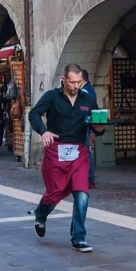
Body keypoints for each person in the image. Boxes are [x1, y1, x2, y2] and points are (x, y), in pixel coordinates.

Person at [28, 63, 104, 253]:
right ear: (64, 80)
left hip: (78, 152)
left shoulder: (87, 99)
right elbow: (34, 114)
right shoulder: (52, 96)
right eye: (72, 82)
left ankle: (79, 237)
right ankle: (40, 214)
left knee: (82, 193)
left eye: (79, 82)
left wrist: (100, 128)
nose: (75, 86)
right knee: (54, 193)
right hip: (56, 150)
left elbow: (95, 123)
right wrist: (44, 131)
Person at [80, 69, 97, 189]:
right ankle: (87, 177)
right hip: (86, 124)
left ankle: (89, 178)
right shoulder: (89, 89)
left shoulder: (85, 91)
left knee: (85, 152)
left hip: (83, 124)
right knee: (85, 151)